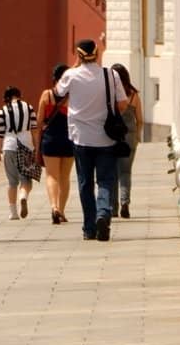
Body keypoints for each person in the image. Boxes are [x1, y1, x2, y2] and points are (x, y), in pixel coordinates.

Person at [56, 36, 127, 242]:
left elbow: (58, 92)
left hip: (80, 138)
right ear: (97, 53)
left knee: (85, 183)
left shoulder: (71, 75)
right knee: (105, 180)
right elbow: (122, 104)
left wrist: (75, 66)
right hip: (106, 138)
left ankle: (89, 228)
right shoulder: (110, 75)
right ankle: (103, 213)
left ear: (78, 55)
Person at [35, 63, 74, 225]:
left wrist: (37, 145)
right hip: (69, 139)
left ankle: (54, 207)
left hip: (50, 140)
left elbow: (38, 122)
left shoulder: (47, 95)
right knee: (65, 176)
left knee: (52, 175)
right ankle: (62, 211)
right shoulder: (72, 96)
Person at [0, 85, 38, 220]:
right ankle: (23, 196)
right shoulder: (28, 107)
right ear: (19, 95)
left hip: (9, 146)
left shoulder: (3, 110)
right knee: (26, 180)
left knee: (12, 182)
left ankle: (13, 213)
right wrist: (36, 147)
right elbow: (35, 129)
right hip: (26, 145)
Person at [111, 61, 143, 218]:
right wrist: (137, 136)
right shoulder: (133, 95)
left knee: (112, 172)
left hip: (112, 136)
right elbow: (140, 119)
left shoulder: (110, 95)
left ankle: (113, 207)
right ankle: (125, 202)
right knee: (125, 171)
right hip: (129, 136)